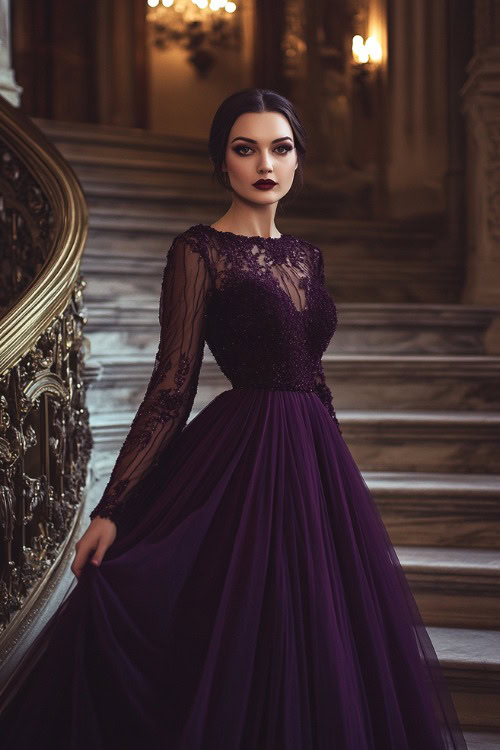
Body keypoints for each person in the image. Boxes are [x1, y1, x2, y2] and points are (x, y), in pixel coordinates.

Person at [0, 87, 467, 749]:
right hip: (244, 451)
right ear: (223, 164)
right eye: (245, 149)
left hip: (313, 456)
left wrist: (334, 466)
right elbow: (172, 384)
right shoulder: (197, 252)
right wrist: (113, 507)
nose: (264, 164)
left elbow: (312, 369)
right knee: (236, 623)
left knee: (319, 630)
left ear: (299, 160)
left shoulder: (308, 255)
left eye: (280, 148)